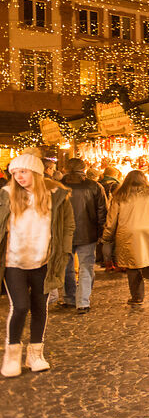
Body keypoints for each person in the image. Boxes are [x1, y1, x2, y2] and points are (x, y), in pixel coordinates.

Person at [0, 153, 74, 377]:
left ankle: (35, 354)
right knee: (20, 306)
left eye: (23, 172)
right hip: (14, 261)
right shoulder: (6, 195)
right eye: (15, 173)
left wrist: (64, 251)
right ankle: (12, 355)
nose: (19, 177)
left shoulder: (57, 196)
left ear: (36, 172)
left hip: (43, 261)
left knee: (40, 307)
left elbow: (68, 225)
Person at [101, 170, 149, 308]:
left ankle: (137, 297)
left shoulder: (120, 196)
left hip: (129, 233)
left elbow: (111, 221)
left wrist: (106, 237)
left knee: (132, 265)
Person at [60, 158, 107, 314]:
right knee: (86, 266)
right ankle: (83, 302)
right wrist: (101, 232)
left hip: (63, 233)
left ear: (65, 168)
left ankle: (69, 298)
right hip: (87, 232)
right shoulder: (94, 186)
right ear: (84, 168)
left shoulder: (57, 187)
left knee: (67, 267)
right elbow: (102, 211)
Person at [98, 167, 123, 271]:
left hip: (103, 214)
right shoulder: (116, 185)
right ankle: (118, 263)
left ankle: (107, 263)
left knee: (106, 240)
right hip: (113, 213)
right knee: (115, 240)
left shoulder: (99, 184)